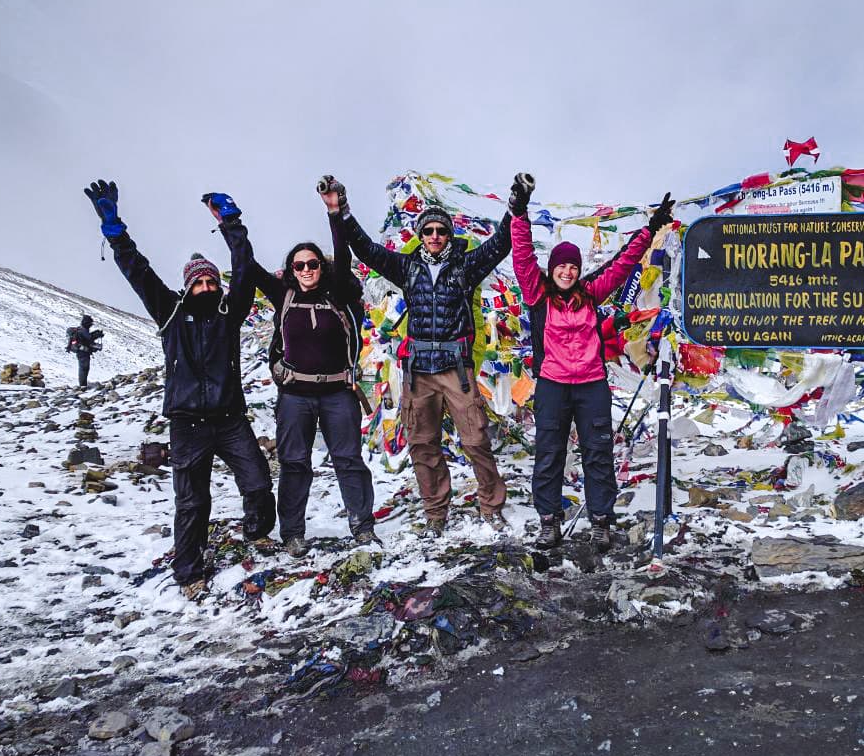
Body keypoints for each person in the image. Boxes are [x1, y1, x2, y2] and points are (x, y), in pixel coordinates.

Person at [83, 180, 276, 599]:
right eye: (198, 283)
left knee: (258, 481)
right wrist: (115, 231)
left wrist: (232, 223)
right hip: (187, 424)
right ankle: (189, 572)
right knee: (191, 502)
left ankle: (257, 534)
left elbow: (243, 266)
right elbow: (137, 270)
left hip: (229, 419)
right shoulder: (169, 312)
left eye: (210, 282)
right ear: (188, 287)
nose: (206, 288)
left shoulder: (229, 312)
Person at [329, 177, 513, 537]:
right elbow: (365, 249)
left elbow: (500, 245)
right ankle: (435, 513)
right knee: (423, 444)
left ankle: (491, 507)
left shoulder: (466, 265)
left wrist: (515, 207)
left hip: (456, 370)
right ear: (420, 234)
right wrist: (343, 211)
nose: (434, 236)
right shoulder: (406, 268)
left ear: (448, 234)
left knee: (476, 440)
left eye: (440, 231)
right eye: (427, 230)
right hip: (418, 373)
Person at [509, 174, 675, 549]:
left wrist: (650, 229)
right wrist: (519, 212)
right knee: (549, 453)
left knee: (597, 451)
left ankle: (601, 519)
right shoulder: (537, 294)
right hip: (551, 385)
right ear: (552, 269)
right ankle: (549, 520)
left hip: (591, 386)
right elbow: (521, 255)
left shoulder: (591, 292)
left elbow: (623, 263)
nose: (567, 271)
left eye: (573, 266)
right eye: (561, 266)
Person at [217, 177, 375, 558]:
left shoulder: (336, 292)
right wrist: (230, 225)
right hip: (294, 395)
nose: (306, 269)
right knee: (293, 463)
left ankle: (362, 525)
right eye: (299, 264)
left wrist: (335, 212)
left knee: (349, 460)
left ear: (322, 267)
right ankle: (293, 532)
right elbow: (247, 266)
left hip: (339, 391)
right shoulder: (282, 294)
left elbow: (344, 252)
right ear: (291, 269)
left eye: (313, 263)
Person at [66, 315, 104, 387]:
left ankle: (83, 385)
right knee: (84, 368)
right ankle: (83, 386)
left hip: (81, 352)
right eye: (90, 323)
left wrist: (95, 335)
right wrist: (97, 334)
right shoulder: (83, 330)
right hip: (83, 352)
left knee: (83, 368)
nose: (91, 325)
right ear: (87, 323)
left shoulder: (81, 329)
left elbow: (87, 339)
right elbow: (89, 338)